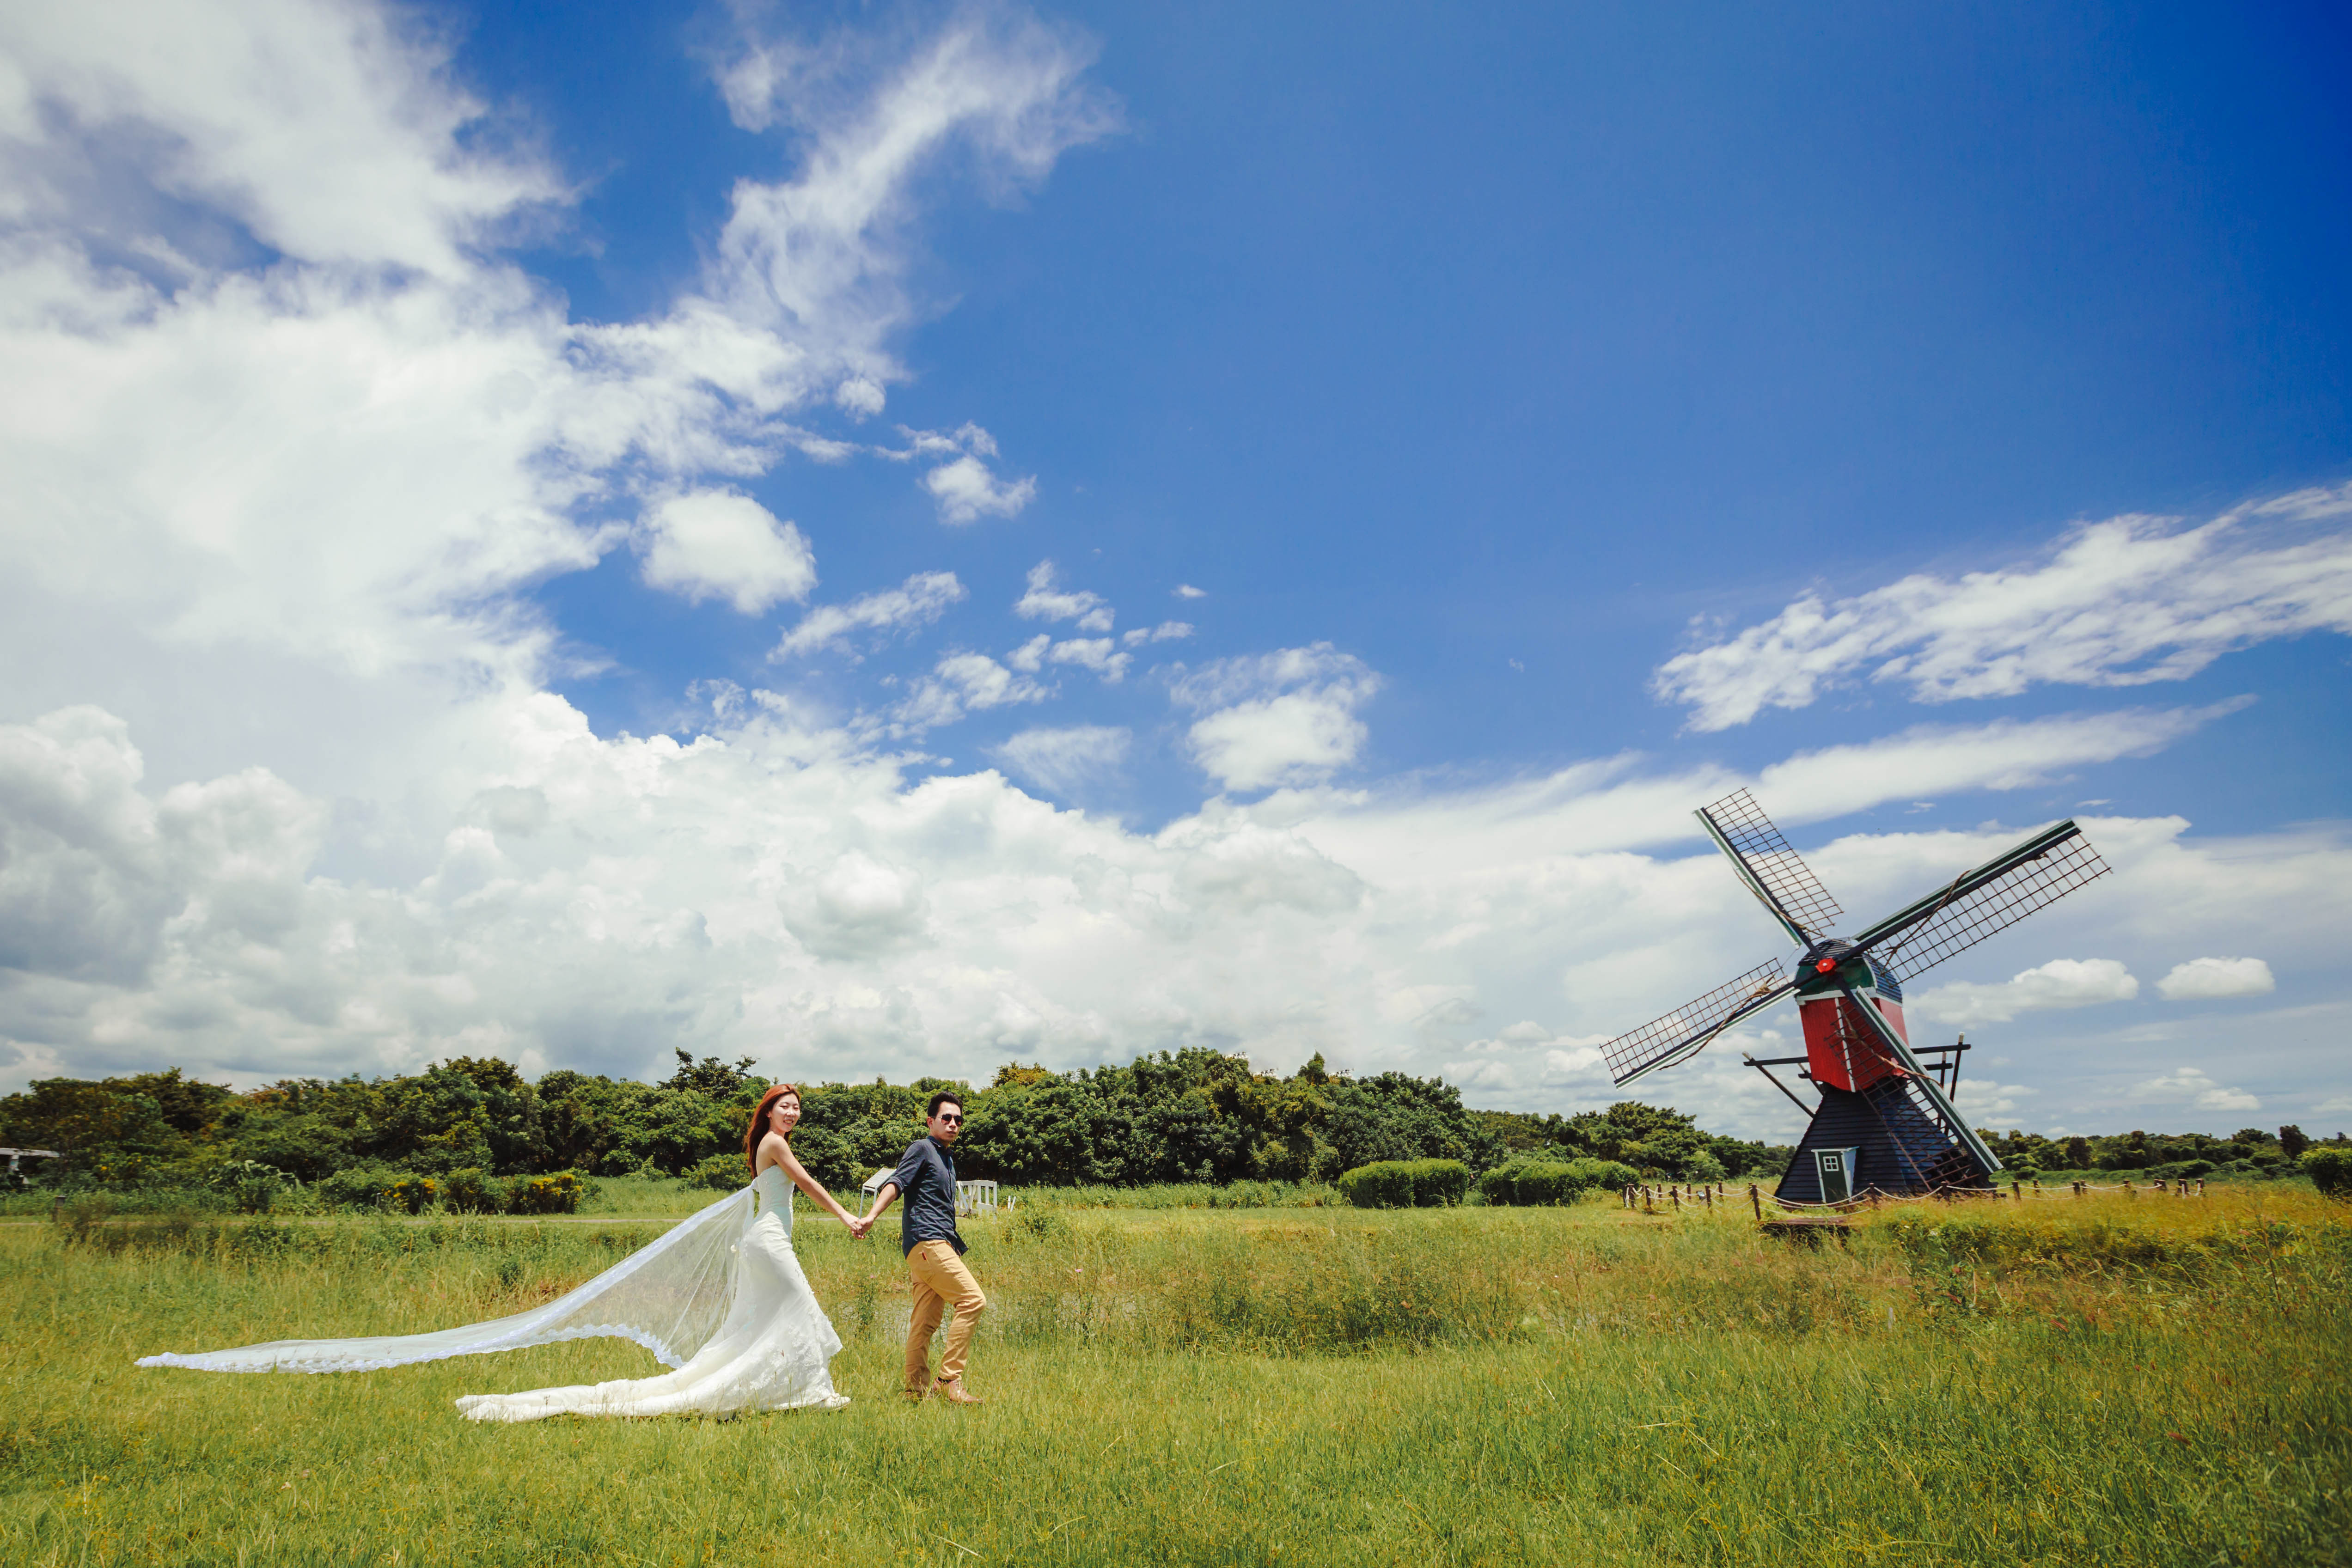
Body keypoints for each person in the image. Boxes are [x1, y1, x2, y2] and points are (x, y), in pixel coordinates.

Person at [138, 1084, 867, 1423]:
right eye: (784, 1105)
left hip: (764, 1238)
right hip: (769, 1241)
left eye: (797, 1106)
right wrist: (853, 1219)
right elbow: (805, 1186)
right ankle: (799, 1388)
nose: (791, 1114)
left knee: (758, 1323)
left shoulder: (772, 1142)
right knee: (798, 1307)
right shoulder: (776, 1148)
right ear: (767, 1116)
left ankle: (787, 1387)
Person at [861, 1091, 986, 1405]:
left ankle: (914, 1391)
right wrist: (872, 1215)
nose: (954, 1124)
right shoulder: (922, 1148)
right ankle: (948, 1380)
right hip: (928, 1241)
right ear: (931, 1121)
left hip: (936, 1244)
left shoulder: (946, 1156)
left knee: (924, 1322)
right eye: (947, 1118)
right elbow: (896, 1182)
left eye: (959, 1119)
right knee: (972, 1300)